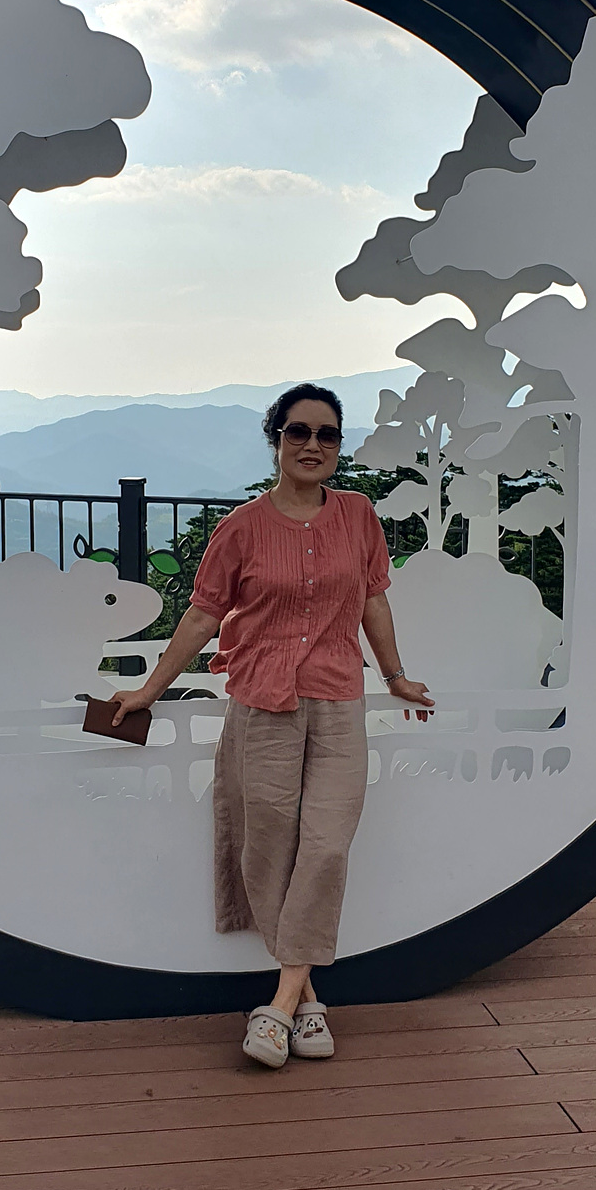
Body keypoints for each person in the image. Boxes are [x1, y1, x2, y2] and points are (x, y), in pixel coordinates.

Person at [110, 382, 434, 1068]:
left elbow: (373, 602)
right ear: (276, 439)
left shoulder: (358, 516)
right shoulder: (241, 528)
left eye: (326, 434)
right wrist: (149, 690)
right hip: (262, 705)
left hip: (337, 699)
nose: (312, 445)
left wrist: (396, 675)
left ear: (338, 446)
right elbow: (202, 615)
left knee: (326, 847)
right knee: (267, 848)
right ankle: (308, 1000)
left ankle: (279, 1006)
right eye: (298, 432)